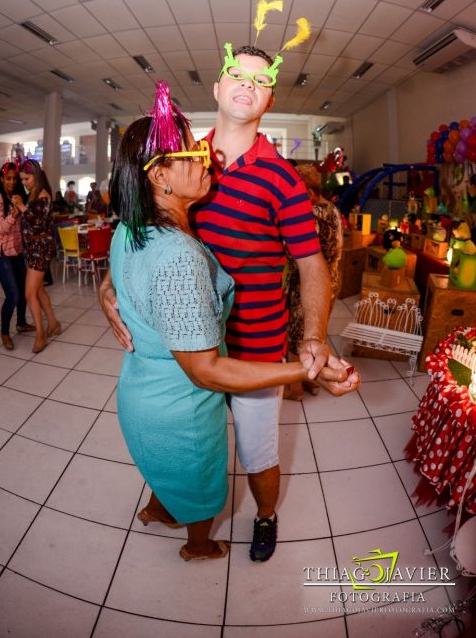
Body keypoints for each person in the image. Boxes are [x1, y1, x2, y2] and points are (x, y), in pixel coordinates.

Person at [100, 44, 357, 562]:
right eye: (236, 74)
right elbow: (142, 224)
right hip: (191, 354)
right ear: (217, 88)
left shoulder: (281, 178)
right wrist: (112, 287)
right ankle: (175, 506)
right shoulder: (184, 159)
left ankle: (265, 517)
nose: (247, 84)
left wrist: (311, 339)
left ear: (270, 98)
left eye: (260, 81)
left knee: (257, 453)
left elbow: (312, 264)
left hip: (256, 345)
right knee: (195, 447)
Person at [285, 164, 344, 399]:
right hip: (332, 278)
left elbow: (298, 255)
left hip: (306, 284)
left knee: (296, 336)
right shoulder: (333, 209)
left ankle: (295, 388)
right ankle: (313, 381)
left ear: (309, 193)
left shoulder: (312, 215)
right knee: (317, 332)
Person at [11, 160, 60, 353]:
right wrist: (19, 209)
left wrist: (22, 208)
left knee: (29, 293)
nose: (24, 182)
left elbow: (38, 222)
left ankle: (41, 335)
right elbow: (28, 219)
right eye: (22, 179)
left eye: (27, 178)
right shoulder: (32, 195)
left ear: (36, 176)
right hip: (32, 248)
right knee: (38, 291)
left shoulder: (43, 195)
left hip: (41, 248)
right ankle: (54, 323)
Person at [0, 163, 35, 350]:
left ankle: (21, 322)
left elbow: (22, 224)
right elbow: (1, 227)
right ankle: (5, 332)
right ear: (1, 179)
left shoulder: (15, 197)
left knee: (24, 291)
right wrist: (15, 214)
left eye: (14, 178)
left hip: (16, 250)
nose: (12, 181)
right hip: (0, 252)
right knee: (13, 295)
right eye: (8, 178)